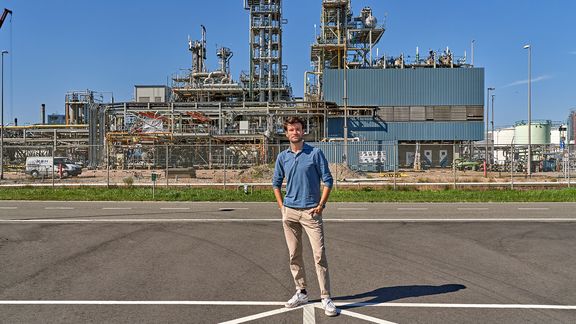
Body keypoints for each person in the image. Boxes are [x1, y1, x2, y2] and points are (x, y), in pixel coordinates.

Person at [272, 116, 338, 317]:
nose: (295, 132)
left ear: (303, 131)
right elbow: (275, 183)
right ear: (286, 133)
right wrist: (282, 207)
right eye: (291, 130)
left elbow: (328, 180)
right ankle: (301, 292)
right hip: (290, 212)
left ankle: (326, 297)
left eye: (298, 129)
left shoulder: (315, 153)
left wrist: (321, 205)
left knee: (319, 255)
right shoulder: (282, 157)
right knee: (294, 255)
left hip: (311, 212)